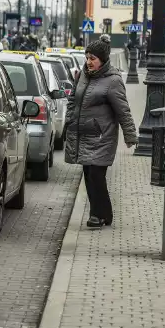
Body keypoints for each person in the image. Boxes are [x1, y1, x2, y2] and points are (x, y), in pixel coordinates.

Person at [64, 34, 138, 229]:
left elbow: (123, 110)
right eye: (87, 57)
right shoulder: (82, 76)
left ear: (102, 60)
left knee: (96, 176)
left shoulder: (113, 81)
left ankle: (96, 215)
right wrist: (69, 120)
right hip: (83, 135)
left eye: (92, 59)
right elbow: (73, 99)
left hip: (101, 136)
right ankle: (105, 214)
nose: (88, 62)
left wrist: (130, 135)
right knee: (89, 175)